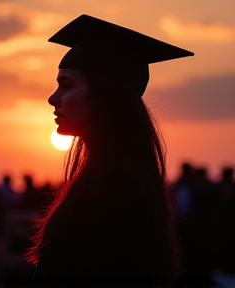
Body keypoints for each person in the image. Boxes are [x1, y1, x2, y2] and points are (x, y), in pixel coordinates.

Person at [26, 15, 194, 287]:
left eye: (67, 85)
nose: (52, 98)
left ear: (105, 96)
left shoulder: (116, 183)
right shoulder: (115, 175)